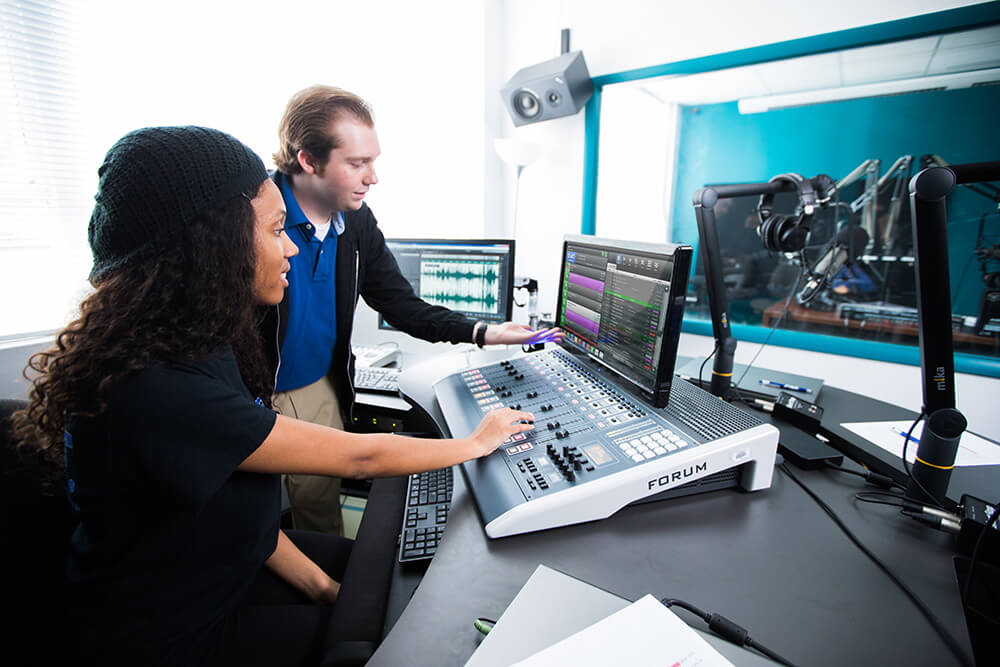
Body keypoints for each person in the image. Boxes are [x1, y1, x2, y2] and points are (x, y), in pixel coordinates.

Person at [11, 126, 534, 667]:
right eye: (275, 229)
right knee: (402, 631)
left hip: (219, 569)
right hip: (169, 636)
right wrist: (475, 442)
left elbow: (236, 518)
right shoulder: (155, 385)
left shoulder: (194, 339)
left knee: (381, 582)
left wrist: (323, 590)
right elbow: (360, 454)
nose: (289, 246)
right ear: (210, 247)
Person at [266, 85, 560, 535]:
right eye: (357, 164)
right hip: (251, 386)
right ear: (308, 160)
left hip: (316, 384)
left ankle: (326, 592)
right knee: (246, 512)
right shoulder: (254, 211)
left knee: (317, 509)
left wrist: (484, 331)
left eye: (374, 161)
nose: (372, 177)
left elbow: (401, 305)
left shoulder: (357, 221)